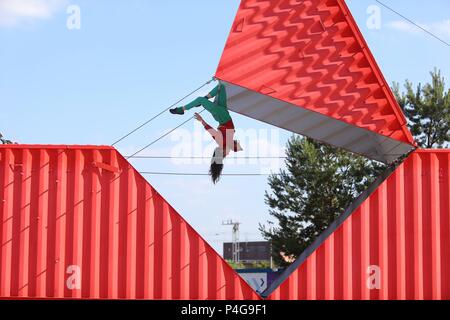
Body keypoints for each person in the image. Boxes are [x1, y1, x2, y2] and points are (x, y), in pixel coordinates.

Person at [170, 81, 243, 183]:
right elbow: (212, 131)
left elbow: (212, 131)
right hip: (223, 116)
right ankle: (201, 101)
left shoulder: (224, 145)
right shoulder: (223, 144)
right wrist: (201, 120)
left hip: (222, 116)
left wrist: (202, 121)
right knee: (220, 86)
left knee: (205, 96)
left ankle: (182, 109)